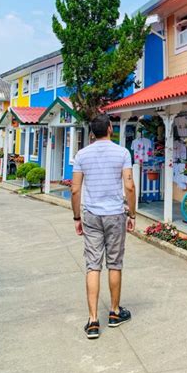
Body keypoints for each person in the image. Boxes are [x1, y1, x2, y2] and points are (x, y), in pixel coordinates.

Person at [71, 114, 136, 339]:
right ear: (110, 128)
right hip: (115, 214)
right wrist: (133, 214)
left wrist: (77, 217)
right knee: (115, 263)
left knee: (93, 265)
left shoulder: (81, 154)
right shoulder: (122, 153)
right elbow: (129, 186)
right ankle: (115, 313)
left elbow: (75, 190)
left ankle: (92, 321)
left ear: (91, 132)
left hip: (91, 214)